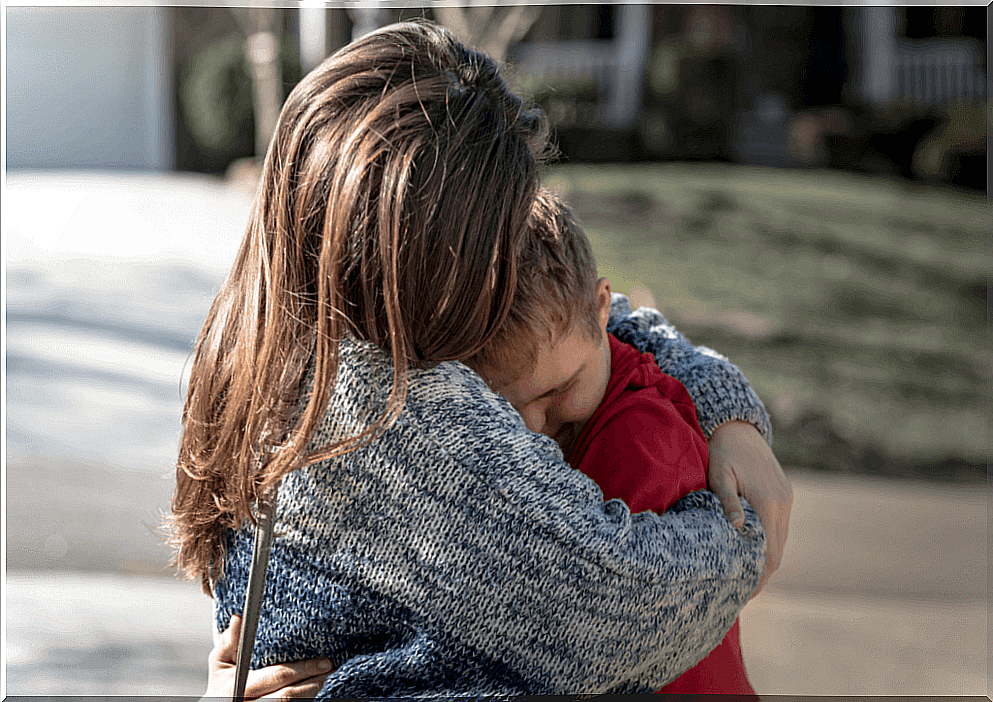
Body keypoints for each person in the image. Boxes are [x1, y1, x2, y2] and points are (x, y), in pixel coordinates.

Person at [172, 21, 789, 698]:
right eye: (496, 238)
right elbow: (628, 610)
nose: (508, 265)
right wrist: (743, 529)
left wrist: (722, 406)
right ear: (423, 248)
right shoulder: (394, 409)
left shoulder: (262, 343)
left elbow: (598, 320)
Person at [478, 190, 756, 695]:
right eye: (506, 406)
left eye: (558, 390)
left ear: (602, 307)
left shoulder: (642, 443)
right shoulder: (580, 386)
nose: (533, 426)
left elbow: (567, 633)